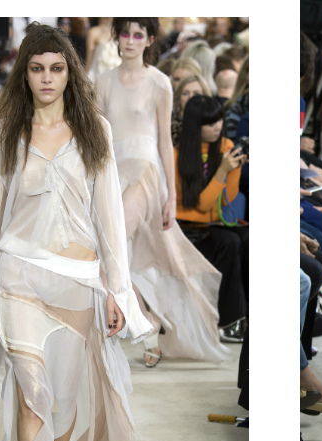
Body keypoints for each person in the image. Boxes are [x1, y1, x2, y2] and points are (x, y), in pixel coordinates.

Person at [0, 22, 172, 441]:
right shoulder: (4, 133)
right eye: (36, 68)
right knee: (33, 397)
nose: (47, 78)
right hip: (18, 276)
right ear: (24, 74)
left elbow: (109, 220)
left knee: (62, 406)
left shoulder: (94, 130)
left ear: (70, 73)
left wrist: (117, 291)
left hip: (76, 280)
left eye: (56, 68)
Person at [96, 17, 229, 366]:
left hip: (145, 173)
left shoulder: (159, 82)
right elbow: (97, 137)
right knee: (116, 256)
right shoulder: (103, 82)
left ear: (150, 39)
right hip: (112, 173)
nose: (129, 40)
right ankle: (148, 322)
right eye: (125, 33)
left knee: (111, 249)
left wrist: (171, 195)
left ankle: (144, 324)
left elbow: (165, 142)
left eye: (138, 34)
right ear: (117, 37)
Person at [174, 95, 248, 342]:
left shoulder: (226, 146)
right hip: (188, 228)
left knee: (249, 239)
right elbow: (201, 205)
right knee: (230, 243)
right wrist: (223, 170)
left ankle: (249, 315)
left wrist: (234, 168)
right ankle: (229, 322)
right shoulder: (178, 155)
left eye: (219, 120)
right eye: (210, 123)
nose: (217, 127)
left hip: (215, 223)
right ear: (196, 125)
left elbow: (228, 200)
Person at [172, 73, 213, 145]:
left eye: (196, 94)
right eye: (185, 93)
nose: (190, 97)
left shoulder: (213, 122)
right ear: (178, 97)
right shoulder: (169, 124)